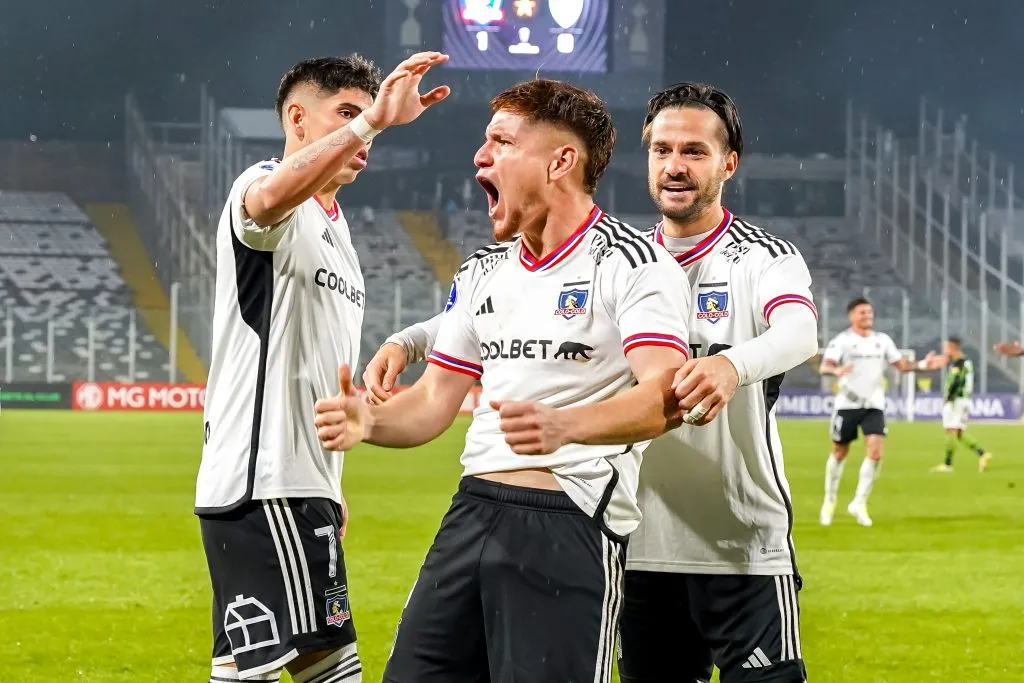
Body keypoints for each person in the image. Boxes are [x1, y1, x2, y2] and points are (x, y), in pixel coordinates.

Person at [363, 82, 822, 683]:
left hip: (736, 541)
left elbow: (799, 333)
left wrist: (729, 365)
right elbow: (512, 305)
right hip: (636, 537)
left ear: (728, 164)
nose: (674, 166)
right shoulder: (624, 259)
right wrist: (412, 339)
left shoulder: (761, 259)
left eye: (694, 152)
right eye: (661, 151)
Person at [313, 79, 692, 683]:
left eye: (500, 141)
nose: (480, 156)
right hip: (472, 511)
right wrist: (370, 421)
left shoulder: (631, 264)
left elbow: (667, 397)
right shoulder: (483, 271)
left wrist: (565, 425)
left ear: (561, 160)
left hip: (570, 518)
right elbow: (434, 403)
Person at [194, 52, 450, 683]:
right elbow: (269, 198)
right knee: (332, 668)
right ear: (297, 118)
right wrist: (374, 124)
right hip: (266, 483)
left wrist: (332, 490)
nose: (363, 132)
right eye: (345, 115)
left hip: (299, 486)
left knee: (244, 664)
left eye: (366, 118)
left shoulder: (340, 234)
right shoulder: (264, 186)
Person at [818, 297, 945, 527]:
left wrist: (924, 365)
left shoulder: (882, 341)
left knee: (876, 453)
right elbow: (824, 366)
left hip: (874, 404)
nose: (868, 316)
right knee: (839, 453)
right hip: (847, 404)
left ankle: (859, 503)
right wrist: (837, 370)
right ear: (851, 316)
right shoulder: (843, 341)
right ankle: (829, 500)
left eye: (870, 312)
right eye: (862, 312)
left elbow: (903, 366)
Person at [930, 336, 993, 472]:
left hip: (956, 400)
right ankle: (982, 454)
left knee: (950, 430)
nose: (945, 350)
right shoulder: (966, 362)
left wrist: (950, 396)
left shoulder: (959, 363)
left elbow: (957, 381)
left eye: (946, 347)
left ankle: (947, 465)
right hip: (964, 399)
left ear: (953, 347)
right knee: (959, 432)